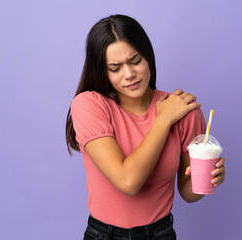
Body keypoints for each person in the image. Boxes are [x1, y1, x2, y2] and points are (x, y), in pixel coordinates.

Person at [65, 14, 226, 240]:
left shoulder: (184, 111)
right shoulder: (89, 104)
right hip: (104, 234)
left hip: (160, 233)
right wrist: (163, 120)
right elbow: (128, 181)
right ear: (102, 71)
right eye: (115, 68)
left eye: (135, 60)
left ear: (147, 56)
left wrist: (210, 178)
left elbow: (188, 192)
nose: (129, 74)